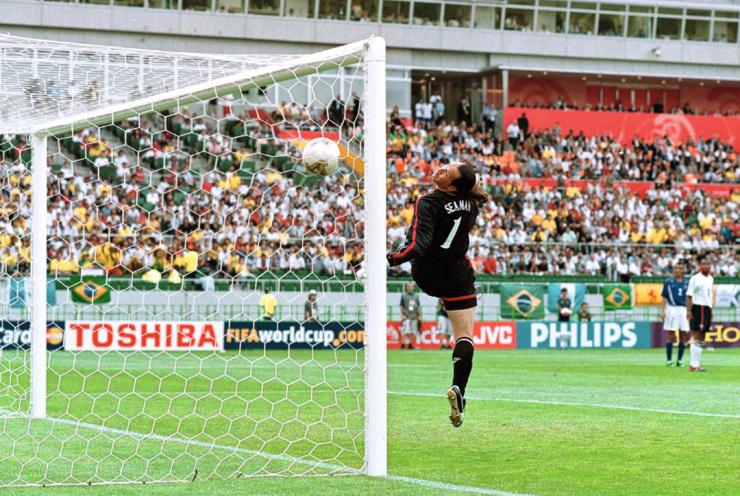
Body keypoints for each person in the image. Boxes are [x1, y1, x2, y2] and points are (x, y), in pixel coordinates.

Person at [387, 161, 489, 427]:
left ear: (451, 185)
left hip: (428, 274)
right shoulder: (472, 204)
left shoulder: (429, 202)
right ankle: (459, 388)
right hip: (457, 275)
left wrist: (388, 259)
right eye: (444, 166)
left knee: (463, 335)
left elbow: (416, 246)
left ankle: (458, 392)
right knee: (465, 335)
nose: (440, 170)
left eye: (446, 172)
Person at [686, 255, 715, 372]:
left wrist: (711, 310)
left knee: (702, 336)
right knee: (697, 334)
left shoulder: (710, 279)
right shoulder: (695, 278)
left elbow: (709, 296)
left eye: (708, 264)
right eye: (703, 264)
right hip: (698, 308)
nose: (706, 266)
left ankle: (696, 364)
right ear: (700, 265)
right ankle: (693, 365)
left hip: (706, 309)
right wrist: (689, 310)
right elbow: (689, 295)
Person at [661, 264, 690, 367]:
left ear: (683, 270)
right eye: (676, 268)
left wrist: (690, 310)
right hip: (672, 309)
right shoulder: (668, 282)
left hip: (684, 309)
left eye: (680, 268)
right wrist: (662, 310)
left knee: (683, 335)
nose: (678, 270)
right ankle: (669, 361)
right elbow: (664, 297)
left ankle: (680, 360)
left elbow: (690, 297)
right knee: (671, 336)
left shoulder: (688, 282)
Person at [399, 282, 421, 350]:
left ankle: (410, 344)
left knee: (412, 331)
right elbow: (401, 306)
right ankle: (402, 345)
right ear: (406, 287)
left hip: (414, 316)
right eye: (409, 286)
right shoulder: (403, 295)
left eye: (411, 286)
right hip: (407, 316)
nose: (410, 287)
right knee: (405, 331)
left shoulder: (416, 296)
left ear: (413, 287)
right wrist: (403, 314)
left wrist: (419, 315)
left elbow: (418, 306)